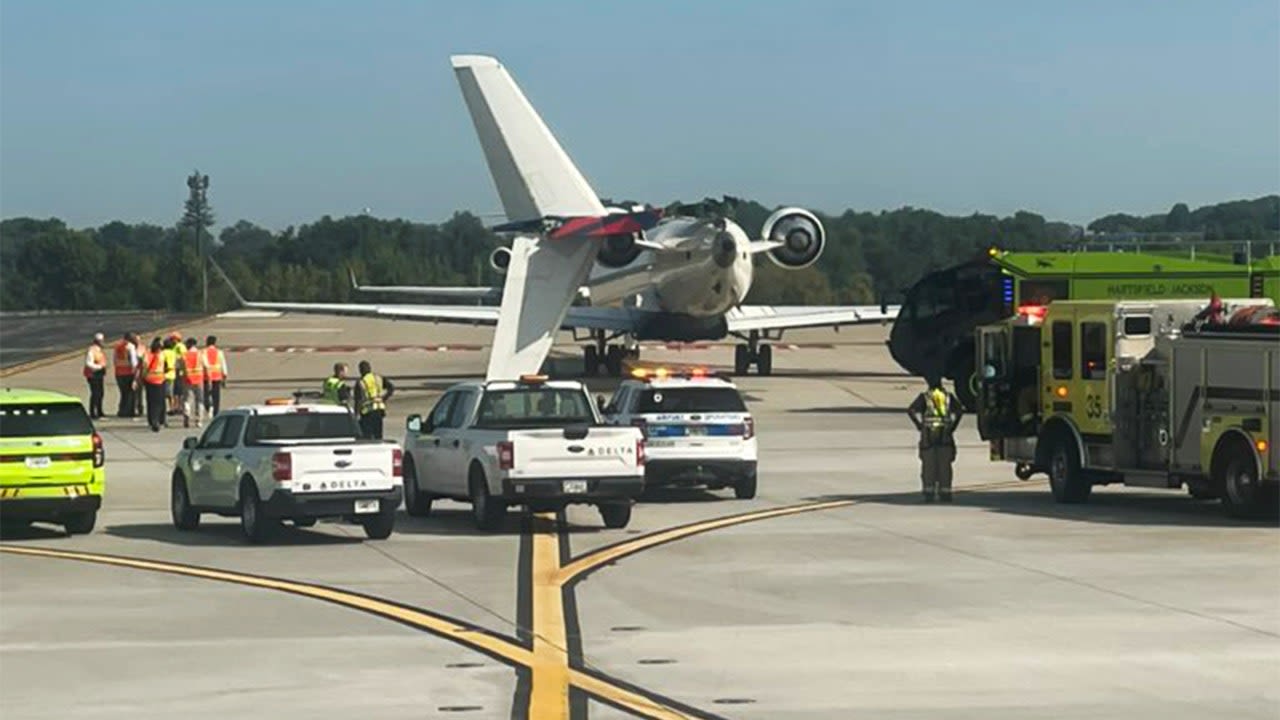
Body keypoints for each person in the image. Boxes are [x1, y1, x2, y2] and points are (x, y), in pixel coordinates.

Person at [907, 376, 963, 503]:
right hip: (945, 433)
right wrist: (953, 426)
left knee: (929, 464)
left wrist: (919, 425)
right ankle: (945, 492)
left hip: (928, 434)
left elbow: (911, 410)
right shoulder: (948, 397)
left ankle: (929, 492)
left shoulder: (925, 397)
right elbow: (959, 411)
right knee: (944, 464)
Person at [353, 360, 394, 439]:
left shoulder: (361, 382)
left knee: (367, 436)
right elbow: (391, 388)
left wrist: (356, 415)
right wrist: (384, 398)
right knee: (378, 434)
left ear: (360, 370)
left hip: (367, 413)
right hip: (379, 410)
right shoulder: (378, 377)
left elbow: (357, 400)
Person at [141, 338, 168, 432]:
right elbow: (165, 367)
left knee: (150, 401)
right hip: (159, 380)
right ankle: (157, 420)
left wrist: (143, 377)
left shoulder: (147, 355)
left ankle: (151, 420)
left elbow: (144, 366)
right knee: (159, 402)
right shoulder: (161, 355)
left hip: (149, 380)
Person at [180, 337, 205, 428]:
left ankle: (187, 415)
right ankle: (199, 420)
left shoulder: (184, 355)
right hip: (198, 379)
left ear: (189, 345)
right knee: (199, 400)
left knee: (187, 399)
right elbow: (205, 365)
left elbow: (179, 366)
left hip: (187, 379)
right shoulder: (200, 354)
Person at [83, 333, 107, 419]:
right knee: (95, 393)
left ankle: (100, 411)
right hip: (93, 374)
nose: (103, 342)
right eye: (102, 341)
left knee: (100, 393)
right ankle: (93, 412)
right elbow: (88, 363)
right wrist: (99, 367)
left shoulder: (99, 350)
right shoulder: (91, 350)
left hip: (99, 374)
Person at [203, 335, 228, 417]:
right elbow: (223, 364)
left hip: (206, 377)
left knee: (206, 394)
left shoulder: (203, 352)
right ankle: (216, 411)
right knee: (216, 395)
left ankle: (208, 407)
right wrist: (224, 375)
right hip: (217, 376)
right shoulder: (219, 352)